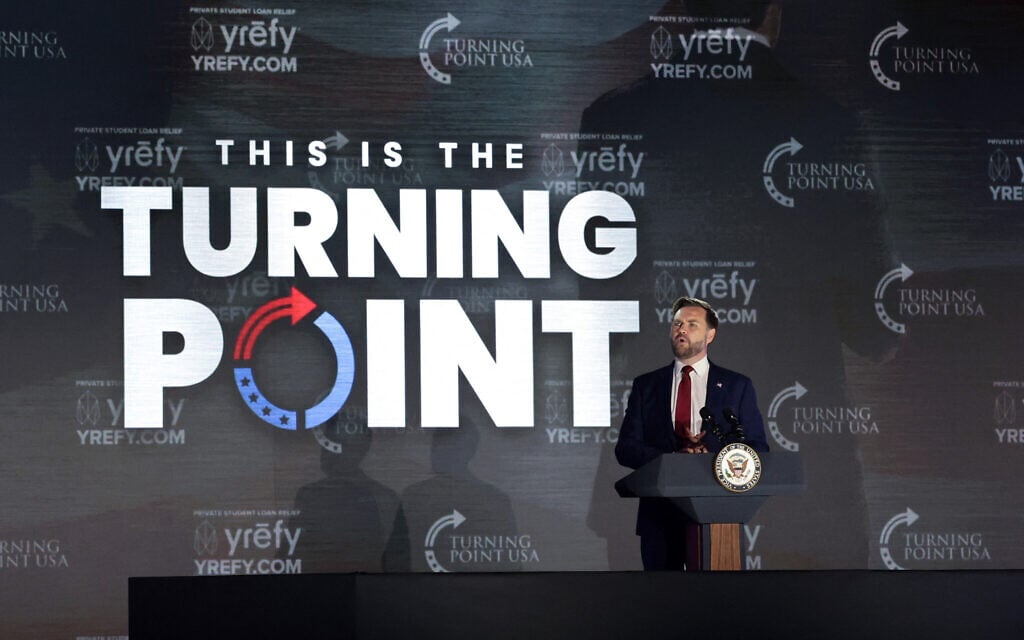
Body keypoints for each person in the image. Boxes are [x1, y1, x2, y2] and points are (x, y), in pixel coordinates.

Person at [616, 296, 768, 570]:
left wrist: (714, 457)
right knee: (663, 602)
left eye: (692, 324)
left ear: (711, 335)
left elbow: (758, 447)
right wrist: (673, 459)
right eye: (677, 323)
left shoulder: (737, 386)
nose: (681, 329)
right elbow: (626, 448)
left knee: (716, 603)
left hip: (718, 511)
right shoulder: (647, 385)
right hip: (660, 516)